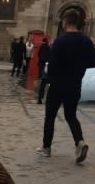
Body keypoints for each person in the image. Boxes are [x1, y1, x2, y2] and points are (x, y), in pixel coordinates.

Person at [36, 9, 95, 163]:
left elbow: (53, 66)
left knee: (50, 117)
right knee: (71, 116)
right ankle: (79, 142)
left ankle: (46, 148)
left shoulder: (60, 41)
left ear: (65, 22)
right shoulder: (87, 41)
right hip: (75, 85)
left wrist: (49, 78)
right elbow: (91, 63)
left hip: (57, 85)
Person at [37, 38, 51, 104]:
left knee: (43, 84)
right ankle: (48, 99)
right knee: (50, 85)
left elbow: (38, 54)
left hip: (44, 67)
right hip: (49, 68)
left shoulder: (42, 47)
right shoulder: (49, 49)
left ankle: (40, 99)